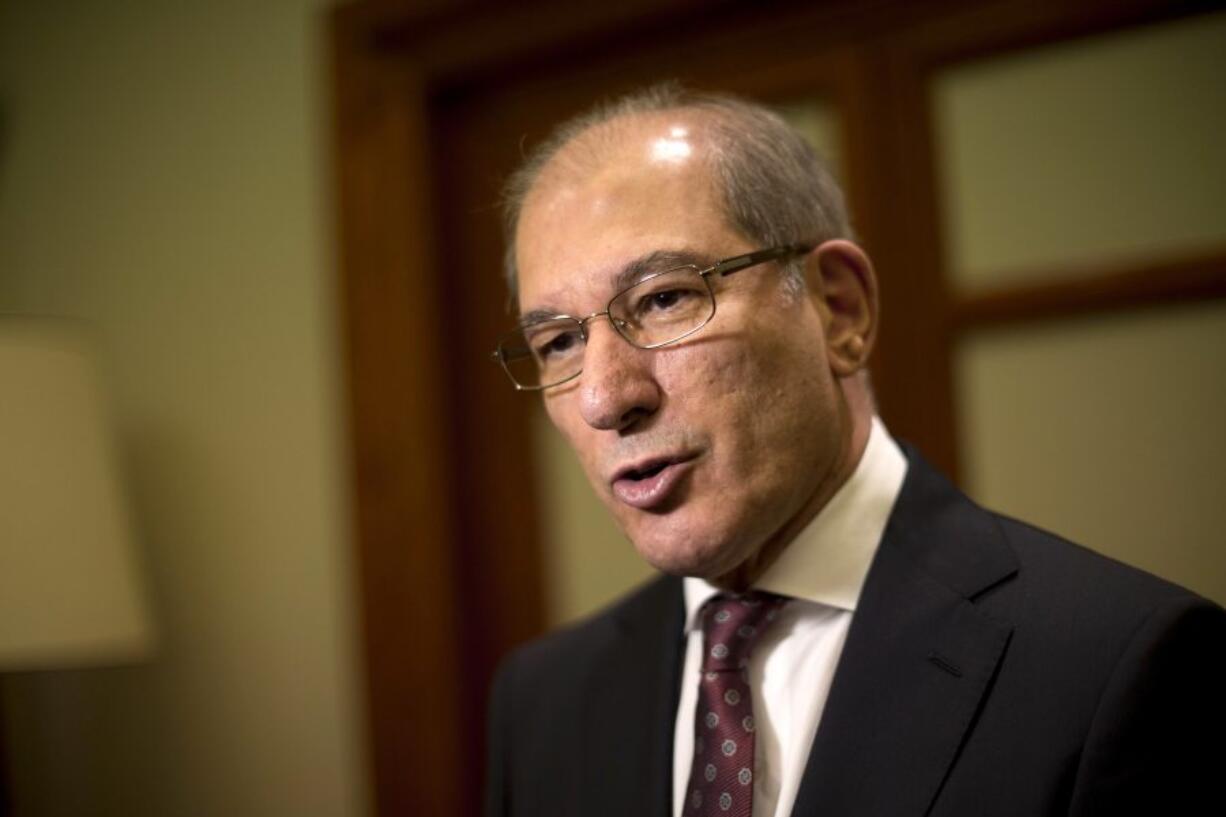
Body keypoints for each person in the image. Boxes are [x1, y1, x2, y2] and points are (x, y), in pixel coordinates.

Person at [483, 84, 1225, 817]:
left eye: (665, 298)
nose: (606, 398)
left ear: (839, 308)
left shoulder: (1116, 666)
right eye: (559, 342)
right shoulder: (543, 699)